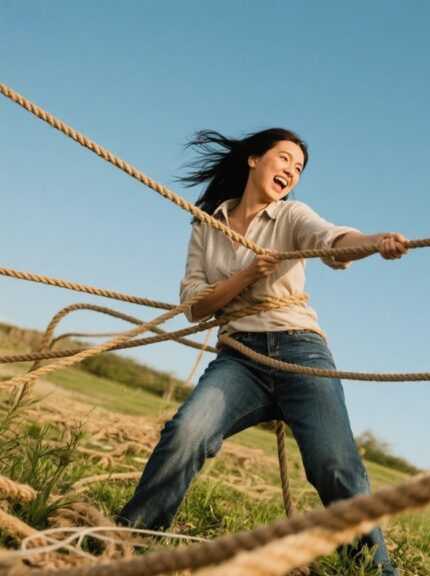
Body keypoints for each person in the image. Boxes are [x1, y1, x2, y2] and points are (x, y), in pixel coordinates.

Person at [117, 128, 402, 575]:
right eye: (284, 158)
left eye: (299, 167)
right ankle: (128, 544)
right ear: (254, 159)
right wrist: (247, 275)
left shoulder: (291, 215)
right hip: (240, 357)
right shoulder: (206, 224)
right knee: (185, 433)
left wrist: (376, 240)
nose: (291, 170)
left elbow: (331, 241)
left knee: (335, 466)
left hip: (300, 351)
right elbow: (195, 306)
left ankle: (375, 572)